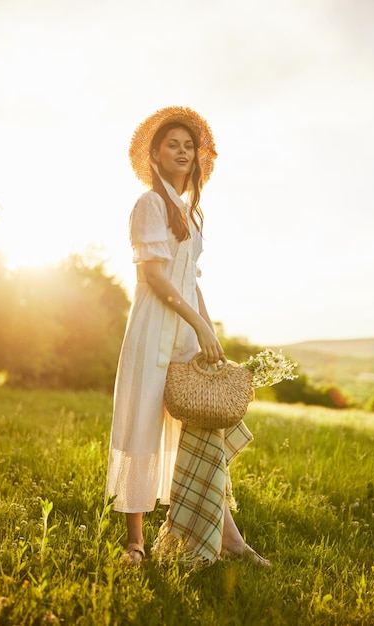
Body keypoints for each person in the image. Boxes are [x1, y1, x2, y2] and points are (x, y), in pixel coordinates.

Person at [105, 106, 270, 568]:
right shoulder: (149, 204)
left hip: (185, 333)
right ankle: (135, 541)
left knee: (200, 435)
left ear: (197, 157)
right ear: (155, 156)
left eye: (188, 145)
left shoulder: (192, 215)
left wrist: (207, 326)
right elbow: (154, 276)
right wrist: (195, 323)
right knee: (141, 427)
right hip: (151, 329)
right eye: (172, 145)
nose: (182, 151)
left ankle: (228, 538)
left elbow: (190, 279)